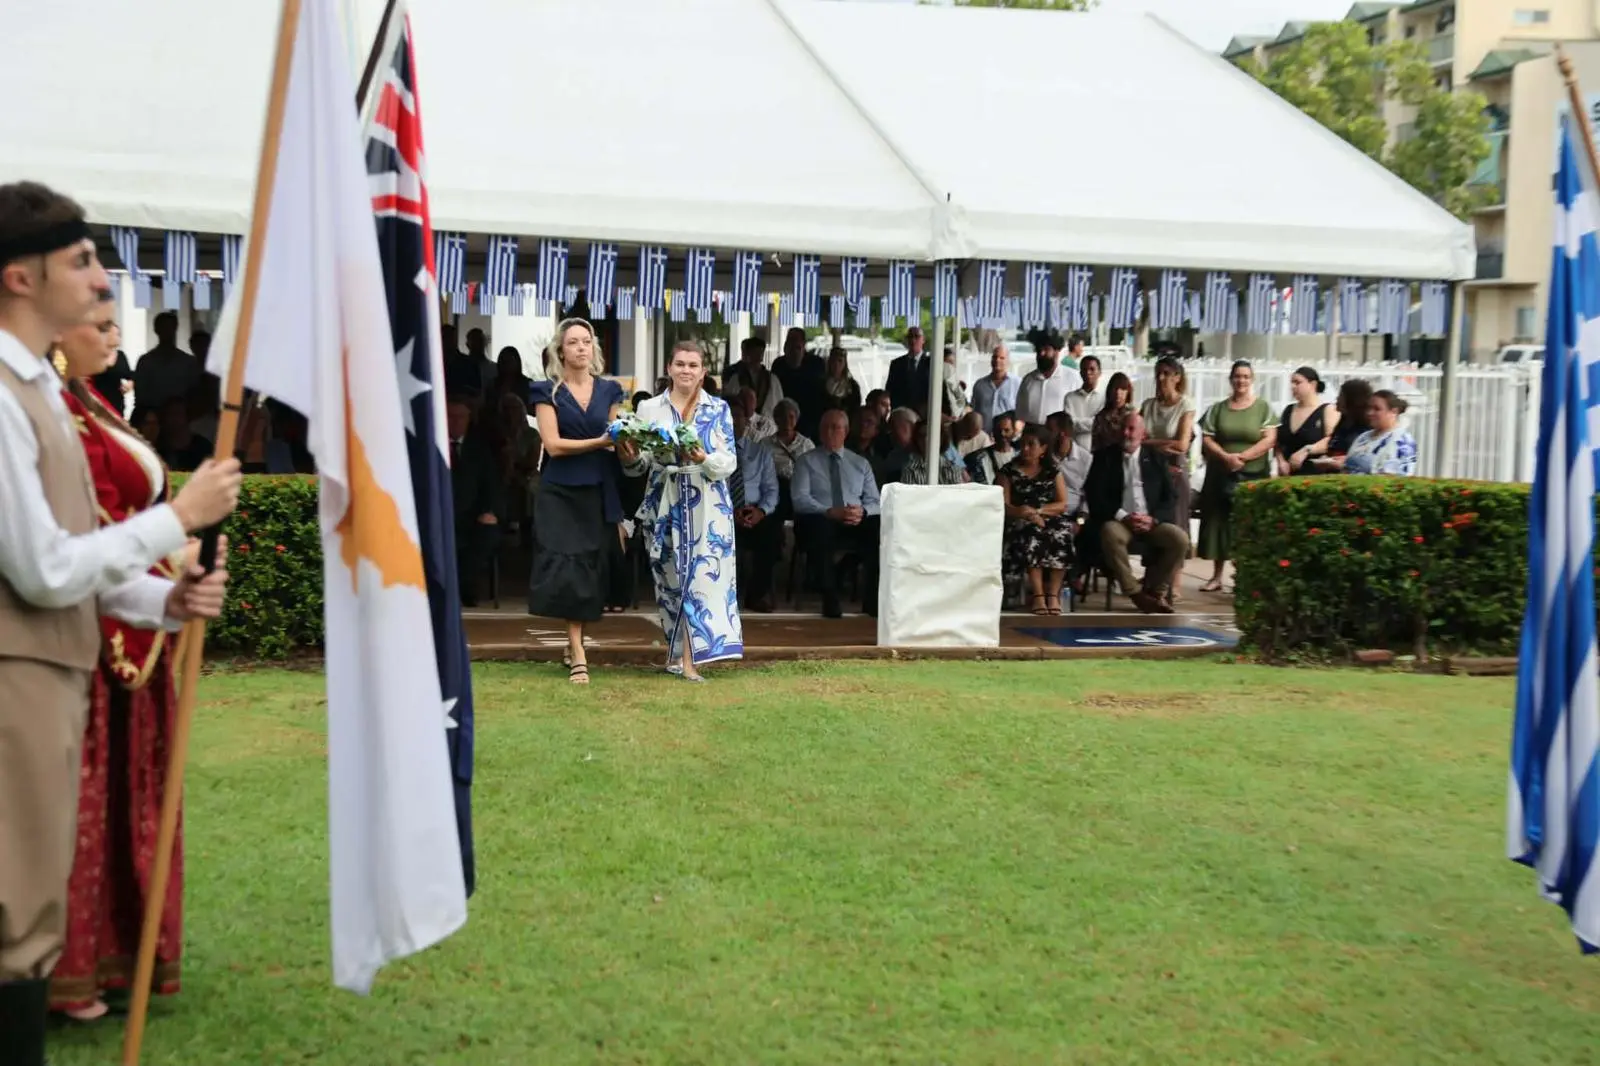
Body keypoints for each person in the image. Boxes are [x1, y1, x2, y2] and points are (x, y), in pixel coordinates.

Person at [0, 181, 239, 1064]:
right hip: (17, 677)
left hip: (52, 670)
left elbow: (79, 566)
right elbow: (42, 567)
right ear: (21, 281)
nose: (102, 279)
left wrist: (162, 600)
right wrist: (178, 521)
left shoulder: (43, 397)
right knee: (17, 917)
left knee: (27, 911)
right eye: (82, 260)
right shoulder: (6, 398)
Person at [47, 297, 198, 1020]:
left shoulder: (86, 401)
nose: (115, 335)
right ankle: (66, 965)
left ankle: (104, 952)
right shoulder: (53, 415)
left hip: (126, 616)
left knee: (113, 805)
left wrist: (172, 577)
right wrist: (175, 551)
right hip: (82, 642)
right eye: (99, 322)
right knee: (80, 806)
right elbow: (80, 540)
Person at [622, 341, 742, 679]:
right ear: (669, 368)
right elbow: (639, 465)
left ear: (703, 372)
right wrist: (627, 455)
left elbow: (729, 461)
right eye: (680, 364)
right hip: (663, 500)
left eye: (693, 365)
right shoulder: (648, 408)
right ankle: (675, 657)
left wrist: (702, 458)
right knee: (669, 581)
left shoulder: (717, 409)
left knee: (699, 579)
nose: (686, 370)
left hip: (707, 503)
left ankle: (691, 662)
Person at [527, 318, 626, 685]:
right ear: (561, 350)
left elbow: (618, 437)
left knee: (591, 566)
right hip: (560, 491)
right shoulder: (545, 392)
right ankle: (578, 650)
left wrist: (629, 445)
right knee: (568, 567)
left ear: (594, 348)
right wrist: (600, 442)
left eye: (587, 341)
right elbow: (553, 445)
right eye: (573, 342)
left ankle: (574, 641)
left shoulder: (610, 390)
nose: (581, 348)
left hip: (598, 489)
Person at [1082, 413, 1188, 614]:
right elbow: (1094, 495)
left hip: (1150, 521)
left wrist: (1153, 519)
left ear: (1143, 434)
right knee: (1109, 532)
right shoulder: (1104, 457)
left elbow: (1170, 497)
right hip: (1120, 520)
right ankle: (1136, 593)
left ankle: (1155, 591)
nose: (1125, 433)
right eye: (1123, 428)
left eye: (1131, 429)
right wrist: (1124, 516)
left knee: (1180, 539)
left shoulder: (1156, 458)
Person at [1197, 360, 1278, 593]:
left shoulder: (1263, 408)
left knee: (1245, 524)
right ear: (1230, 379)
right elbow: (1207, 437)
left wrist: (1242, 457)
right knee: (1219, 522)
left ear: (1252, 380)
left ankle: (1243, 576)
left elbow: (1270, 439)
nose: (1241, 380)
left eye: (1245, 376)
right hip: (1220, 472)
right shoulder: (1218, 409)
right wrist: (1226, 457)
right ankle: (1216, 576)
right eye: (1237, 376)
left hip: (1252, 473)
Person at [791, 409, 881, 619]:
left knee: (878, 530)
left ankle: (872, 600)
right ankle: (830, 597)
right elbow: (800, 499)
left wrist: (863, 512)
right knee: (818, 529)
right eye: (826, 427)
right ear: (820, 433)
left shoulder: (860, 463)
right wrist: (829, 511)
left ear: (846, 432)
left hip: (854, 519)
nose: (830, 432)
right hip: (822, 518)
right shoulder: (806, 461)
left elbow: (876, 500)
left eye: (836, 427)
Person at [997, 425, 1074, 615]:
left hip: (1047, 517)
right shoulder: (1008, 471)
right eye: (1023, 444)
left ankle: (1053, 594)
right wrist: (1025, 513)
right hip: (1019, 519)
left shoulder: (1052, 471)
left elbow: (1062, 503)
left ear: (1043, 449)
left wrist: (1038, 511)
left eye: (1031, 445)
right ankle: (1038, 595)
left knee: (1062, 532)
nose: (1025, 449)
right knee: (1032, 532)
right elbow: (1003, 505)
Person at [1139, 356, 1198, 599]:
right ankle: (1153, 576)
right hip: (1150, 469)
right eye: (1158, 373)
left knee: (1176, 523)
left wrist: (1153, 444)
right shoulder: (1148, 405)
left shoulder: (1186, 405)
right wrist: (1161, 445)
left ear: (1177, 377)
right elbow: (1139, 439)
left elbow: (1182, 444)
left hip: (1174, 469)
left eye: (1166, 373)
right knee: (1151, 522)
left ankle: (1174, 581)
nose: (1161, 378)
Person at [446, 396, 504, 608]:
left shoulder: (479, 448)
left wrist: (489, 510)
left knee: (487, 533)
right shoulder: (431, 446)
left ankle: (462, 588)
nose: (456, 422)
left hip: (472, 515)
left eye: (461, 417)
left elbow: (492, 485)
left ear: (469, 419)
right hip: (439, 515)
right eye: (451, 417)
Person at [730, 404, 780, 613]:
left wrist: (761, 511)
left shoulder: (760, 452)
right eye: (728, 417)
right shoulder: (707, 452)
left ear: (746, 422)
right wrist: (729, 512)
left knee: (772, 535)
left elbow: (771, 489)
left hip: (754, 512)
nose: (733, 422)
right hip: (721, 513)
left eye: (738, 417)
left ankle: (757, 594)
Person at [1335, 390, 1418, 476]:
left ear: (1394, 412)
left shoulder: (1403, 441)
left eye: (1377, 409)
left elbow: (1394, 480)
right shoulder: (1363, 437)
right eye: (1369, 408)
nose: (1369, 413)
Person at [1276, 366, 1339, 476]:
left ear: (1313, 384)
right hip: (1287, 476)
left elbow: (1332, 440)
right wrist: (1281, 461)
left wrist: (1306, 450)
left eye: (1297, 382)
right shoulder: (1288, 410)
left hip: (1314, 475)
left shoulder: (1327, 410)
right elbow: (1278, 442)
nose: (1293, 387)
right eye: (1291, 383)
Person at [131, 311, 199, 412]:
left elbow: (194, 394)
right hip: (154, 419)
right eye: (164, 327)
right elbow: (140, 397)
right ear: (156, 330)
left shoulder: (188, 362)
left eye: (169, 327)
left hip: (181, 418)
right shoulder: (146, 361)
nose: (167, 331)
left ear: (175, 328)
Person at [1015, 329, 1082, 428]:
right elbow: (1020, 416)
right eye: (1039, 350)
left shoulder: (1073, 378)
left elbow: (1079, 412)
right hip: (1033, 439)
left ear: (1056, 352)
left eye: (1046, 349)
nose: (1042, 353)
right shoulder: (1028, 381)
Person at [1303, 378, 1371, 473]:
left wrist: (1345, 461)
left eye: (1341, 396)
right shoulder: (1342, 423)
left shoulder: (1366, 430)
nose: (1337, 399)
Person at [770, 327, 827, 440]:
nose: (793, 349)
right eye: (790, 343)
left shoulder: (816, 364)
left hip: (811, 417)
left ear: (803, 345)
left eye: (797, 345)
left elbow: (822, 393)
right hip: (786, 417)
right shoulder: (779, 364)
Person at [724, 337, 783, 418]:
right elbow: (729, 402)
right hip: (743, 424)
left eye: (761, 351)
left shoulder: (772, 379)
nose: (759, 355)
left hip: (768, 425)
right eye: (755, 351)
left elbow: (779, 404)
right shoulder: (736, 379)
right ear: (748, 353)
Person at [969, 345, 1019, 436]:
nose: (997, 360)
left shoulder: (1017, 384)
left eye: (1002, 358)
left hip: (1007, 438)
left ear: (1008, 361)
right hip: (983, 437)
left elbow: (1021, 412)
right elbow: (974, 410)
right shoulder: (979, 385)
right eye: (994, 357)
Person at [1061, 353, 1103, 454]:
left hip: (1097, 453)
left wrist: (1077, 423)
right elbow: (1069, 425)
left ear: (1099, 372)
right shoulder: (1070, 398)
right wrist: (1092, 424)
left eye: (1092, 369)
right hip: (1074, 453)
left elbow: (1100, 425)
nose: (1088, 372)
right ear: (1080, 373)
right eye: (1084, 369)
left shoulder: (1104, 398)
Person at [89, 319, 131, 417]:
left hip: (117, 403)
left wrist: (130, 384)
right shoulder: (96, 354)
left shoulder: (120, 355)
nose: (117, 337)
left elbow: (129, 375)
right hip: (98, 402)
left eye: (118, 334)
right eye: (113, 334)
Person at [885, 325, 931, 412]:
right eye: (910, 337)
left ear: (923, 340)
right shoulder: (896, 364)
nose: (913, 340)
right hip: (901, 414)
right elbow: (890, 390)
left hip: (925, 414)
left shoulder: (931, 363)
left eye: (917, 336)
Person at [966, 411, 1018, 486]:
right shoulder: (977, 458)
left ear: (1013, 431)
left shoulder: (1019, 456)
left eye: (1006, 430)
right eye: (999, 431)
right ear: (993, 432)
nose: (1002, 434)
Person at [1091, 371, 1135, 452]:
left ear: (1128, 392)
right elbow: (1095, 447)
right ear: (1110, 391)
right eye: (1115, 388)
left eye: (1122, 389)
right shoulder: (1101, 417)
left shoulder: (1133, 415)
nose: (1118, 393)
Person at [821, 345, 862, 416]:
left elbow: (856, 409)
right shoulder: (821, 384)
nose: (836, 364)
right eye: (833, 361)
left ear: (845, 363)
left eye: (840, 361)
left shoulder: (852, 386)